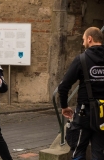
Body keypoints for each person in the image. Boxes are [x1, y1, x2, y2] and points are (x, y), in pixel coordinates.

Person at [58, 27, 104, 160]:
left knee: (78, 150)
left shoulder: (81, 59)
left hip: (85, 113)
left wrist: (64, 106)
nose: (83, 42)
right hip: (103, 114)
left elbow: (64, 86)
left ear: (89, 39)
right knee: (99, 152)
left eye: (83, 39)